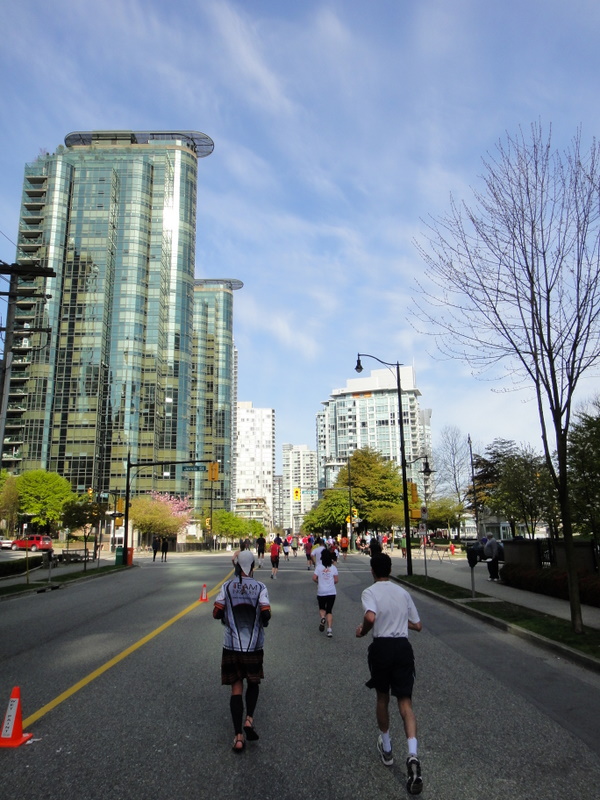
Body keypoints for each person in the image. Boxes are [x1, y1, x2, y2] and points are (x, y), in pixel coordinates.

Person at [355, 552, 423, 795]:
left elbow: (370, 616)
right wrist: (398, 620)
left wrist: (363, 630)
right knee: (405, 702)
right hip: (403, 648)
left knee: (382, 697)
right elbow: (417, 625)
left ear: (372, 571)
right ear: (390, 569)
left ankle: (387, 747)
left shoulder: (370, 592)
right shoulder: (402, 592)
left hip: (382, 647)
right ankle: (413, 755)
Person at [213, 550, 271, 752]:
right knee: (253, 681)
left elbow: (216, 612)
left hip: (232, 645)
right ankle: (249, 719)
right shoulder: (261, 587)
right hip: (254, 645)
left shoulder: (227, 586)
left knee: (236, 687)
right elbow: (266, 613)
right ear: (253, 566)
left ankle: (238, 736)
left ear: (236, 566)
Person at [313, 548, 338, 638]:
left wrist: (319, 582)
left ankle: (323, 618)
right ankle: (329, 630)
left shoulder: (319, 567)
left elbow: (314, 578)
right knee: (329, 610)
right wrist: (330, 582)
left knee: (322, 608)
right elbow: (336, 580)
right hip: (331, 592)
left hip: (321, 591)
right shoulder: (333, 568)